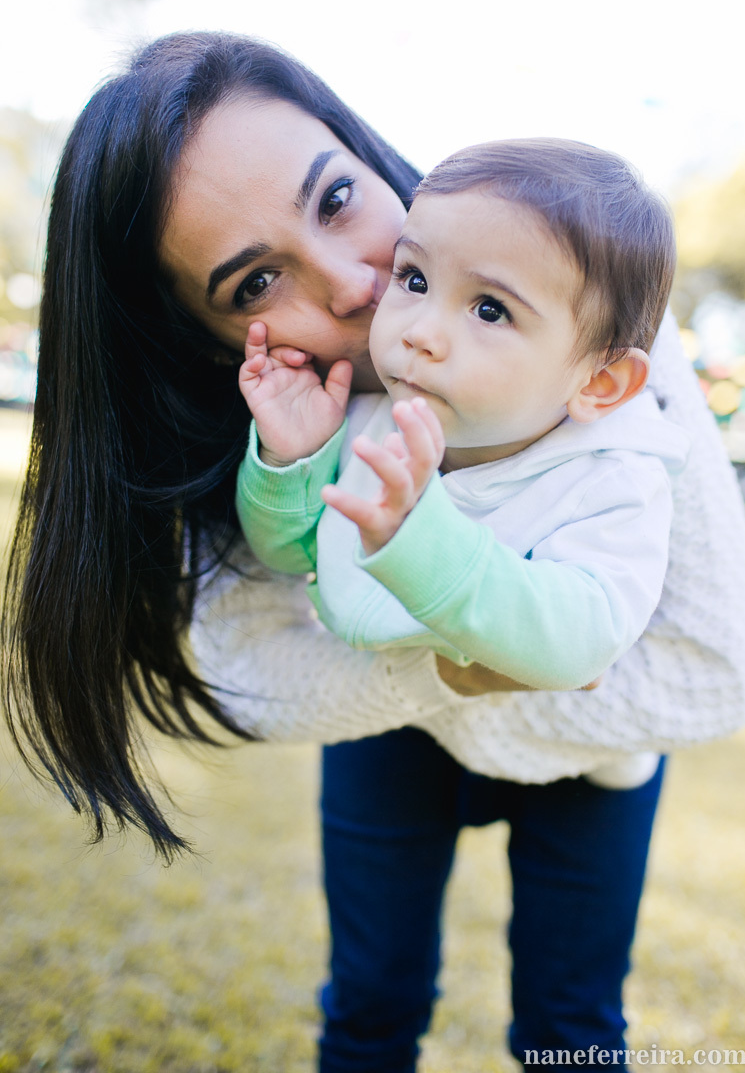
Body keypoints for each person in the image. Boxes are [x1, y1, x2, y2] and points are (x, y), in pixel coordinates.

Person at [1, 32, 745, 1070]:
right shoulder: (331, 405)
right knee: (368, 1003)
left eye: (335, 199)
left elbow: (709, 672)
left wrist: (444, 597)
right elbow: (269, 614)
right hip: (384, 745)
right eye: (254, 283)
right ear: (203, 342)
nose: (359, 286)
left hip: (597, 757)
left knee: (572, 1022)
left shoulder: (595, 321)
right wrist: (289, 465)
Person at [234, 138, 689, 730]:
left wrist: (423, 544)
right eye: (414, 279)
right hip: (384, 715)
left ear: (599, 382)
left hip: (557, 739)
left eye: (490, 310)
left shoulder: (612, 479)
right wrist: (294, 458)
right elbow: (288, 555)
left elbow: (585, 641)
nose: (420, 331)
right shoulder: (373, 419)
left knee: (605, 783)